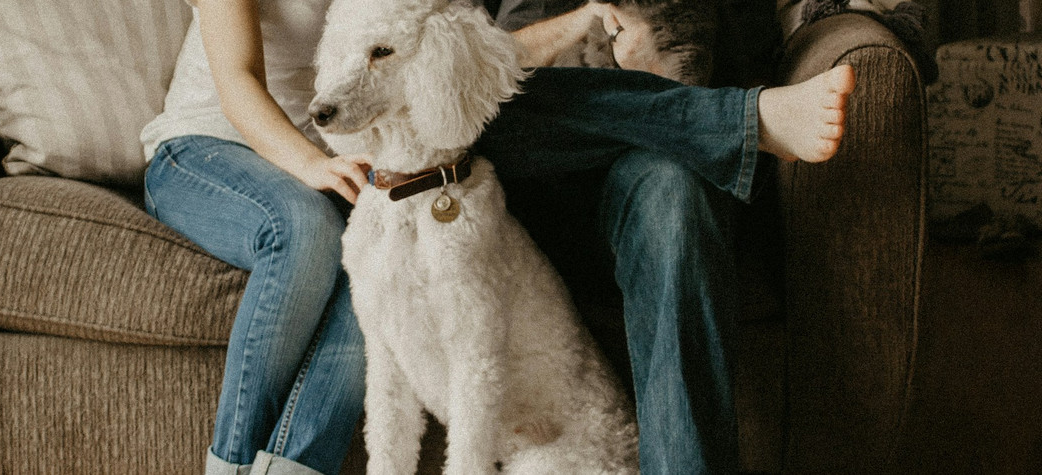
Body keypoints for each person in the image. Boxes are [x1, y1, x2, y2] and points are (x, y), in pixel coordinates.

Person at [139, 1, 856, 474]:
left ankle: (716, 123)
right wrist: (316, 163)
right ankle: (736, 124)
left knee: (672, 193)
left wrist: (642, 65)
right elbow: (465, 68)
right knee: (474, 94)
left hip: (642, 166)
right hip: (512, 159)